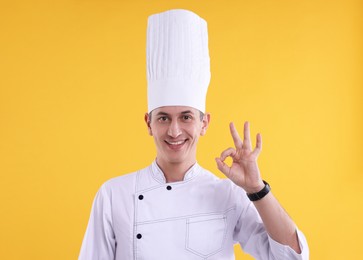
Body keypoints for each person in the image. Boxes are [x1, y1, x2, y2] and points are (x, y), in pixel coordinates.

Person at [79, 9, 309, 260]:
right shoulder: (114, 195)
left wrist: (256, 188)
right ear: (148, 123)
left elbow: (292, 257)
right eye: (163, 117)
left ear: (204, 123)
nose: (174, 130)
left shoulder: (227, 194)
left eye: (186, 117)